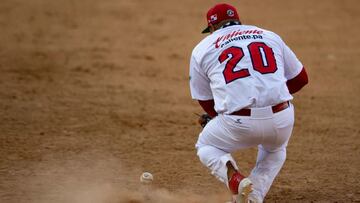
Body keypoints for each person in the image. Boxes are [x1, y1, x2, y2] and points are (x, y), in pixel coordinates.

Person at [189, 3, 308, 203]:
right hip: (281, 118)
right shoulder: (269, 36)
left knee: (206, 145)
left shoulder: (202, 48)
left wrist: (217, 116)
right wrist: (272, 93)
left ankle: (236, 180)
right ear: (238, 20)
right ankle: (253, 196)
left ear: (211, 28)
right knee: (275, 151)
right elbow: (300, 79)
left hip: (238, 122)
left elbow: (204, 98)